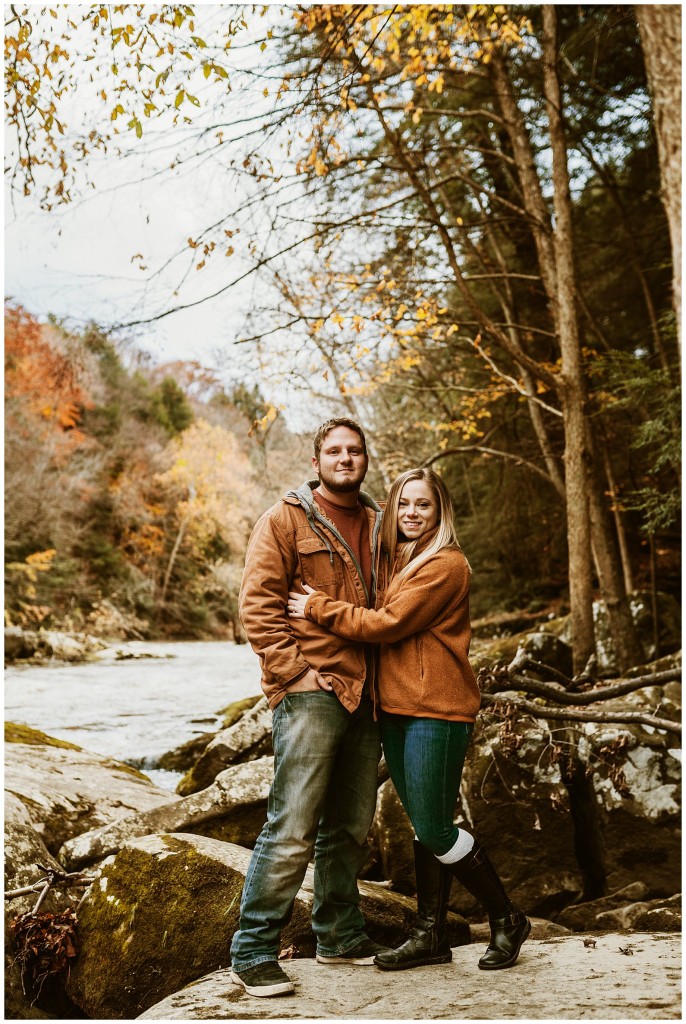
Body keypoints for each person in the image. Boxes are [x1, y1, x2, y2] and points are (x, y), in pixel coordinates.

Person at [287, 467, 530, 973]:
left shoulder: (445, 564)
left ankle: (507, 918)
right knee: (424, 826)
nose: (412, 513)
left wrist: (316, 606)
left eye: (423, 504)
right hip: (396, 709)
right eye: (404, 504)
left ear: (439, 511)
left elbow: (386, 625)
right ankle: (431, 934)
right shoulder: (401, 561)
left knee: (437, 829)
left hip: (436, 711)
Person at [229, 417, 390, 998]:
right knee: (292, 826)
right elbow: (258, 606)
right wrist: (294, 674)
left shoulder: (380, 523)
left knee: (350, 825)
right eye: (335, 451)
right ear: (317, 458)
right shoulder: (284, 520)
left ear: (365, 459)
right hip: (313, 692)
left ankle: (339, 934)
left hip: (369, 694)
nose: (346, 459)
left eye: (355, 450)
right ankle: (252, 949)